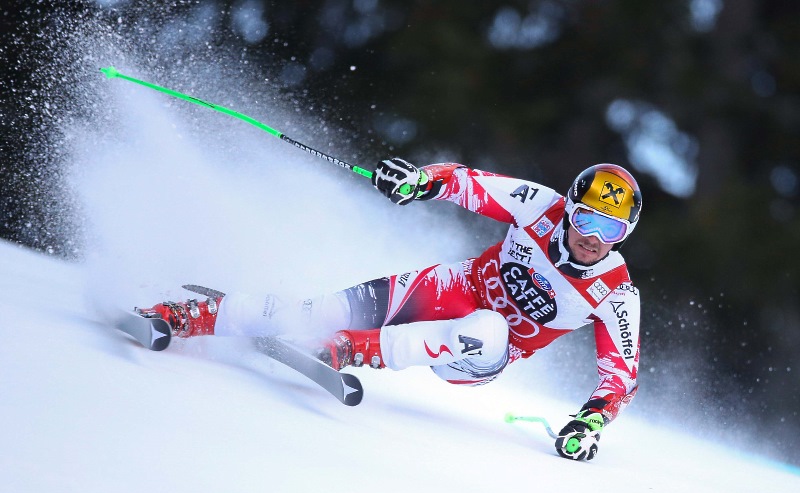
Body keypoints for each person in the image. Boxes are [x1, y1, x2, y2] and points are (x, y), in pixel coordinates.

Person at [137, 158, 642, 462]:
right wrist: (418, 181)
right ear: (570, 209)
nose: (593, 239)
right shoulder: (541, 205)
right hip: (451, 288)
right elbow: (463, 181)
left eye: (611, 231)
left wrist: (588, 424)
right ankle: (188, 316)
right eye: (586, 220)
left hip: (480, 353)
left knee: (487, 328)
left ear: (624, 238)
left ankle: (348, 351)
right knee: (321, 311)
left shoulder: (617, 294)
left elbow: (619, 378)